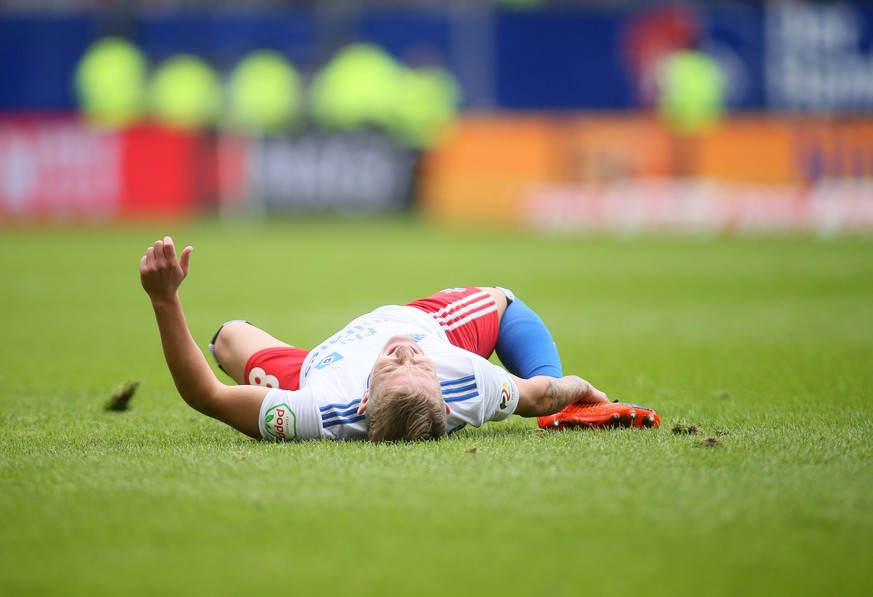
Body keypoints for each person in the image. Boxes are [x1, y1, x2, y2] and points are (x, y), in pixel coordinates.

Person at [140, 236, 658, 443]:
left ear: (365, 399)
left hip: (318, 366)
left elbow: (206, 395)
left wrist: (166, 301)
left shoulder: (316, 411)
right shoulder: (468, 383)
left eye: (397, 365)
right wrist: (581, 393)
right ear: (442, 386)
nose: (408, 354)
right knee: (502, 299)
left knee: (227, 338)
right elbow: (541, 394)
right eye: (420, 367)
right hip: (430, 321)